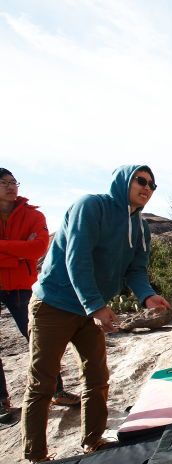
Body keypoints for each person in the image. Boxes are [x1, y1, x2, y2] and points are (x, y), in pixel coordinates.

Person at [21, 165, 171, 462]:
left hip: (90, 311)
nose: (147, 188)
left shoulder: (140, 227)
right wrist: (96, 307)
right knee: (43, 383)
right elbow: (77, 259)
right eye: (140, 181)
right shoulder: (91, 206)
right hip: (54, 304)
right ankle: (36, 457)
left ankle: (93, 441)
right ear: (123, 181)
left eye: (153, 185)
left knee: (97, 377)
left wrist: (147, 295)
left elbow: (136, 270)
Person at [0, 169, 80, 425]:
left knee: (40, 340)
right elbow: (26, 248)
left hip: (23, 286)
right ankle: (2, 401)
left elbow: (37, 248)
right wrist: (18, 250)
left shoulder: (33, 215)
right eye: (5, 183)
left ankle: (56, 391)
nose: (12, 187)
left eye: (14, 182)